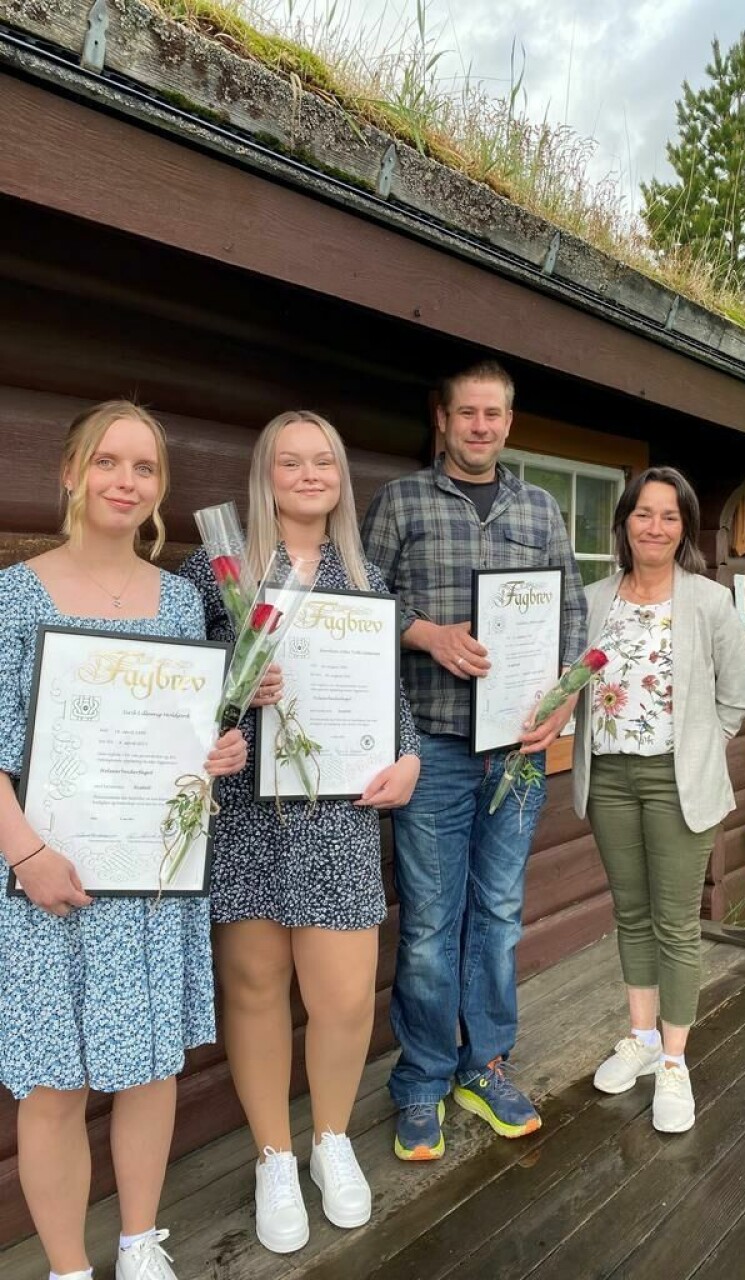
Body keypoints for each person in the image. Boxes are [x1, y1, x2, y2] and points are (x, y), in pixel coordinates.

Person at [0, 401, 246, 1280]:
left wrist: (217, 754)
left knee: (149, 1071)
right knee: (54, 1085)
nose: (125, 481)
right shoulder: (13, 597)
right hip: (49, 885)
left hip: (149, 885)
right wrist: (27, 856)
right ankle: (68, 1268)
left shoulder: (180, 602)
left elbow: (181, 735)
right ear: (71, 472)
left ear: (159, 490)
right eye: (107, 462)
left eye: (144, 468)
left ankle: (141, 1242)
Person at [180, 410, 420, 1252]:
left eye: (325, 461)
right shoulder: (218, 569)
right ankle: (274, 1158)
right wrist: (234, 678)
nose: (310, 474)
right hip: (248, 813)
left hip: (337, 812)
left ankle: (330, 1139)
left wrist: (409, 757)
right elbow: (178, 686)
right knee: (254, 989)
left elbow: (389, 694)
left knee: (345, 996)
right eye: (292, 461)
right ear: (266, 474)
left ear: (341, 477)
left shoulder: (367, 575)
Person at [361, 358, 587, 1161]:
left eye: (494, 415)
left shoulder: (540, 509)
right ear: (443, 418)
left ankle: (483, 1063)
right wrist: (427, 634)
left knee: (497, 914)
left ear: (508, 423)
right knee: (429, 923)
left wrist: (563, 703)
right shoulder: (401, 502)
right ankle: (422, 1077)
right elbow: (362, 600)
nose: (481, 427)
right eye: (468, 414)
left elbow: (570, 612)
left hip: (516, 752)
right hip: (434, 745)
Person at [572, 466, 745, 1132]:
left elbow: (738, 693)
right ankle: (642, 1039)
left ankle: (674, 1061)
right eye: (643, 514)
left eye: (669, 516)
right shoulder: (593, 600)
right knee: (631, 912)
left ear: (684, 528)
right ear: (624, 522)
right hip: (609, 776)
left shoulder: (707, 601)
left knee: (675, 922)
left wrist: (703, 744)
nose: (654, 527)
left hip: (677, 780)